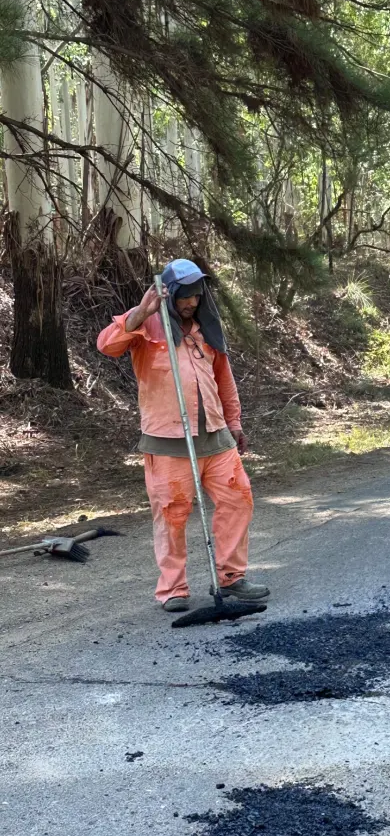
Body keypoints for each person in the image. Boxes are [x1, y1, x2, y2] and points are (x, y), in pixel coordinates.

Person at [98, 259, 269, 612]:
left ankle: (232, 578)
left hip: (215, 435)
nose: (191, 302)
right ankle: (174, 590)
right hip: (168, 441)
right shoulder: (147, 324)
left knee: (239, 499)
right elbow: (107, 345)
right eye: (184, 295)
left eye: (196, 295)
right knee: (173, 514)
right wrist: (142, 312)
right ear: (171, 293)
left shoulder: (207, 329)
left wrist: (234, 422)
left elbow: (224, 379)